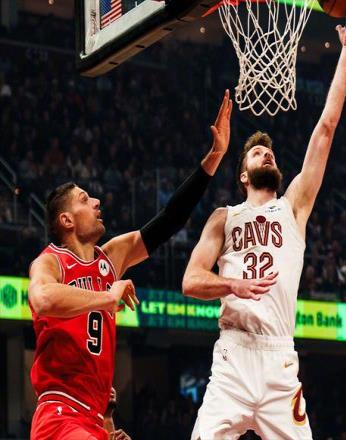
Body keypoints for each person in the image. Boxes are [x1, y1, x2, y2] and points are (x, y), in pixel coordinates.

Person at [182, 3, 346, 438]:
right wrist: (233, 285)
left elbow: (326, 128)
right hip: (233, 355)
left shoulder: (293, 206)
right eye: (257, 153)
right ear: (243, 175)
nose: (267, 154)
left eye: (270, 152)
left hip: (279, 357)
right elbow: (190, 281)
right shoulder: (223, 218)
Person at [28, 91, 233, 440]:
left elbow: (169, 220)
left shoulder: (109, 259)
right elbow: (43, 299)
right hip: (59, 413)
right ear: (66, 220)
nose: (96, 201)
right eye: (84, 200)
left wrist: (213, 158)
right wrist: (108, 297)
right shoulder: (51, 261)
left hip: (92, 418)